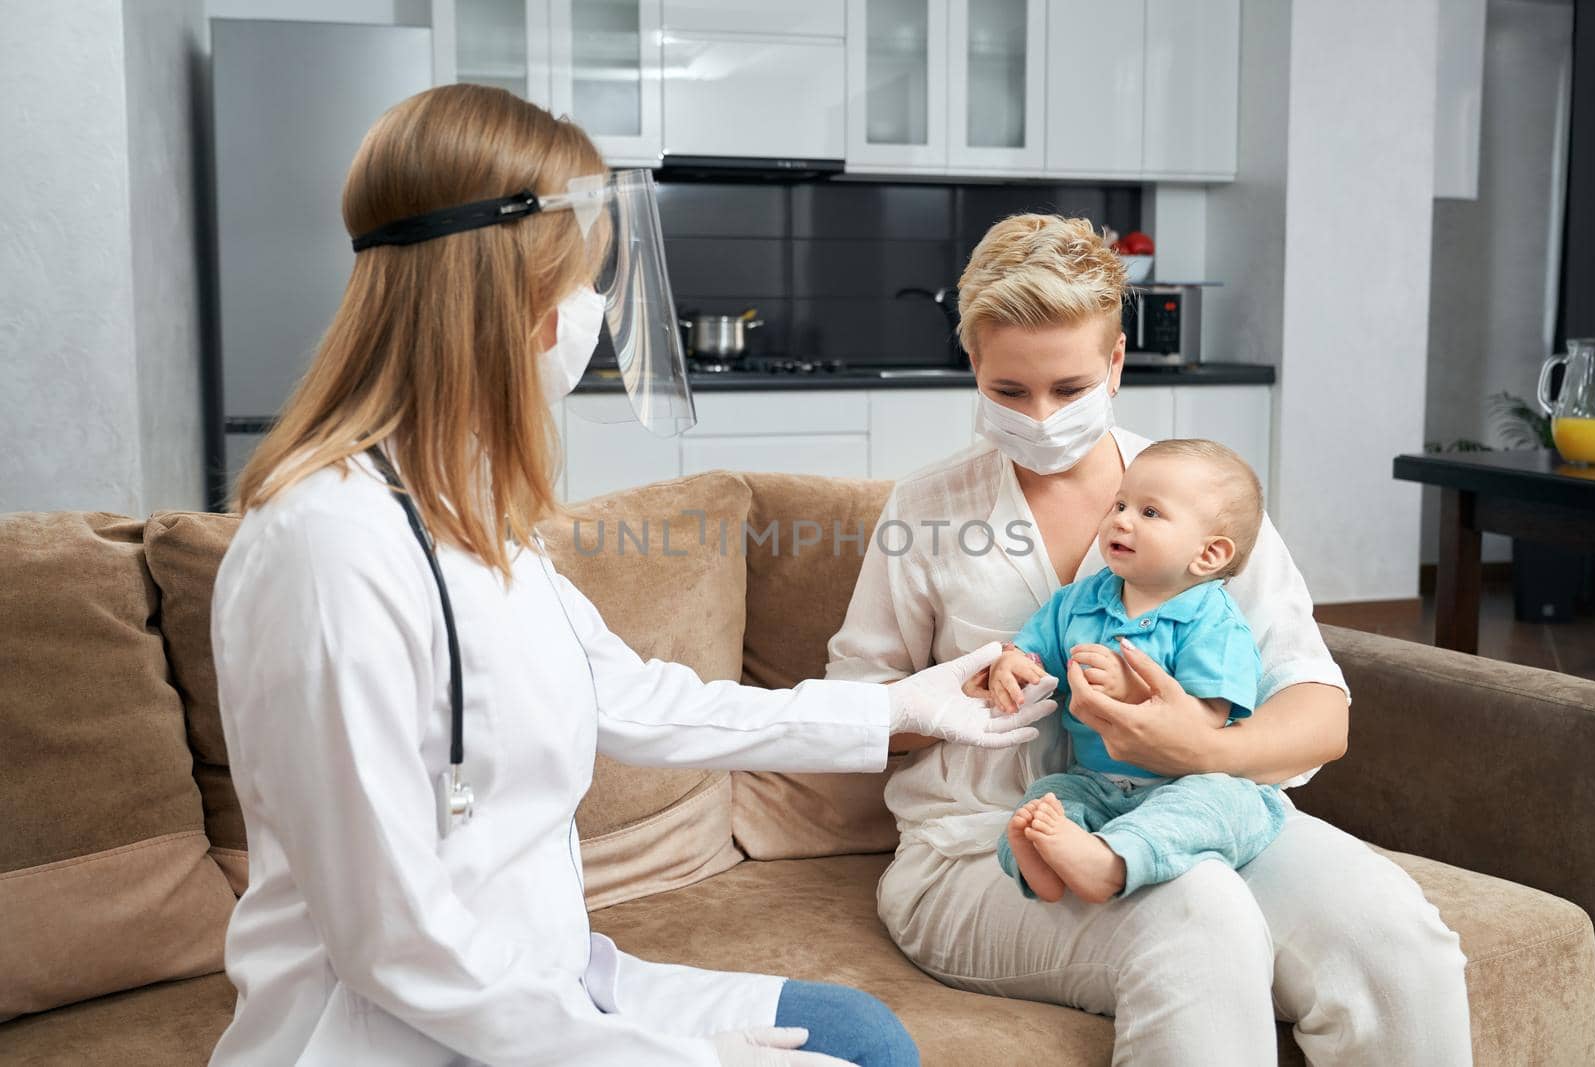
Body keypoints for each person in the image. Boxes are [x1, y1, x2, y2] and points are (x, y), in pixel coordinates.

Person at [206, 85, 1056, 1067]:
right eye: (578, 277)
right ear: (504, 292)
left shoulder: (470, 511)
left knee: (861, 1034)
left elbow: (629, 695)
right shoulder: (325, 547)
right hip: (402, 1034)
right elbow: (399, 947)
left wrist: (896, 709)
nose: (591, 311)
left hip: (544, 982)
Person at [825, 214, 1472, 1065]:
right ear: (974, 367)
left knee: (1396, 940)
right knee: (1198, 914)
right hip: (979, 849)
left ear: (1119, 364)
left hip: (1198, 808)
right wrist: (955, 698)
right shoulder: (927, 510)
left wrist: (1197, 740)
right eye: (1010, 391)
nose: (1042, 415)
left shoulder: (1199, 498)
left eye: (1070, 387)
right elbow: (850, 717)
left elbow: (1317, 710)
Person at [982, 439, 1284, 905]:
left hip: (1180, 781)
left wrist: (1132, 689)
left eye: (1150, 513)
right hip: (1093, 779)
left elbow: (1209, 720)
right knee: (1045, 801)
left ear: (1208, 555)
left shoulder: (1214, 622)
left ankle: (1112, 863)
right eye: (1120, 504)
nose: (1120, 519)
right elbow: (1036, 649)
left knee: (1225, 806)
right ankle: (1039, 866)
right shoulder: (1078, 601)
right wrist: (1015, 663)